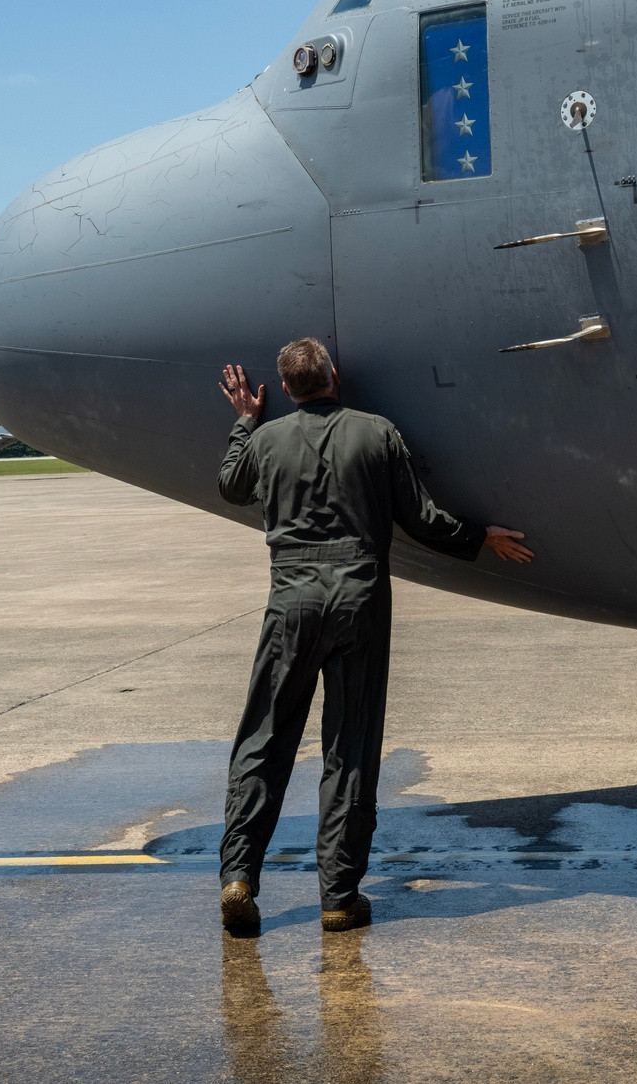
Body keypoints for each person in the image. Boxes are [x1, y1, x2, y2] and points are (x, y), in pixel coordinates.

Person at [216, 337, 533, 933]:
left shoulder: (265, 438)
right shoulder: (377, 433)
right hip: (359, 599)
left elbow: (232, 484)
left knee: (264, 737)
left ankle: (239, 875)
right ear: (334, 375)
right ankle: (338, 897)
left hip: (291, 601)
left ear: (284, 389)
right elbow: (420, 518)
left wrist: (243, 422)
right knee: (350, 746)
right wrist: (478, 536)